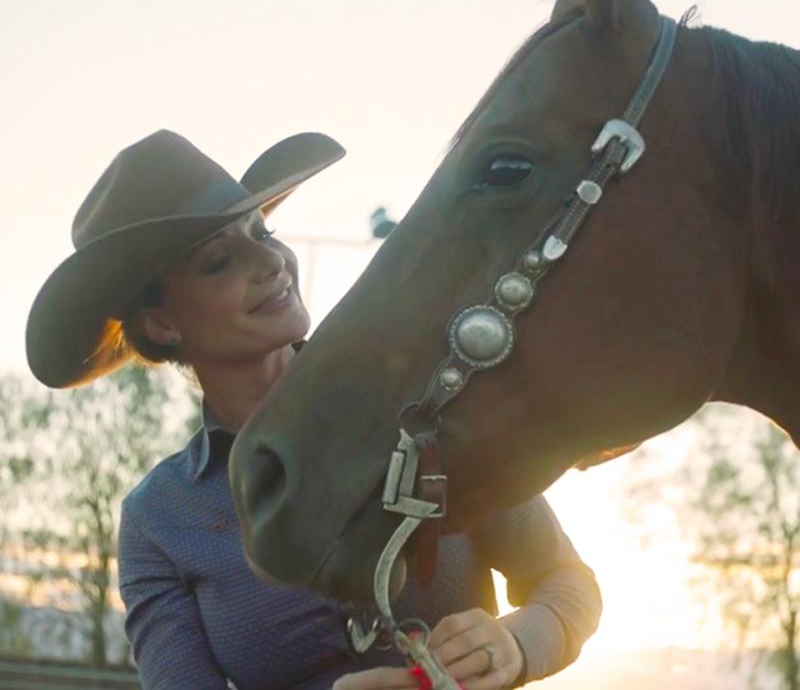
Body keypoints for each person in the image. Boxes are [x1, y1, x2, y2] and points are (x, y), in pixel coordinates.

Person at [26, 130, 602, 690]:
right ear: (162, 323)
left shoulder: (430, 405)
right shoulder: (160, 519)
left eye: (263, 232)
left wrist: (518, 644)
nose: (271, 261)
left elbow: (566, 582)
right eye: (221, 260)